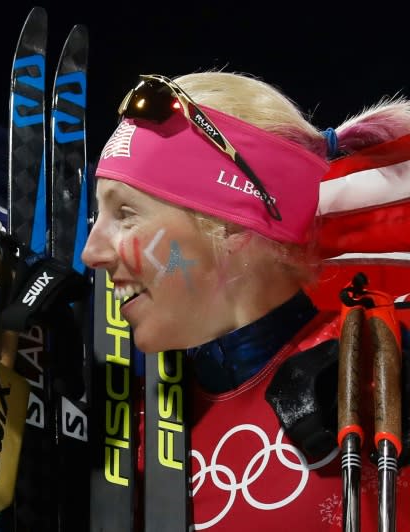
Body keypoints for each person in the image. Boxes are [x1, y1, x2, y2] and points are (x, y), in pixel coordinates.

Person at [82, 70, 410, 530]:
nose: (91, 252)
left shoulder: (381, 371)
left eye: (125, 214)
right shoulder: (132, 431)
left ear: (234, 224)